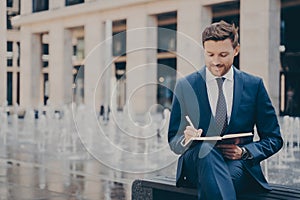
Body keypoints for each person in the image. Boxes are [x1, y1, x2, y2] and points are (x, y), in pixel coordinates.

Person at [168, 20, 283, 200]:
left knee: (218, 181)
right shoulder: (186, 86)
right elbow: (173, 139)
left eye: (222, 55)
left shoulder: (254, 86)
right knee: (206, 150)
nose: (215, 62)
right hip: (195, 163)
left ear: (236, 50)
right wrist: (185, 139)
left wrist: (245, 152)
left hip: (236, 163)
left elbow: (274, 139)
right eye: (210, 54)